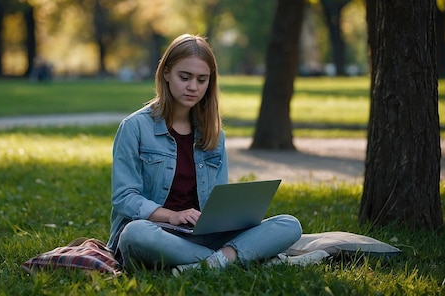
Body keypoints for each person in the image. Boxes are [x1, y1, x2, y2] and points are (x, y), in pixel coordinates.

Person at [106, 34, 302, 275]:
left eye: (202, 80)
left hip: (203, 235)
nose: (193, 87)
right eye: (185, 77)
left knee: (289, 224)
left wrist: (231, 218)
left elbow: (217, 200)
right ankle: (232, 259)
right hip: (157, 232)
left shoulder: (213, 134)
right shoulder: (134, 127)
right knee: (134, 234)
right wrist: (172, 216)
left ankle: (207, 264)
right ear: (166, 73)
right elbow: (125, 197)